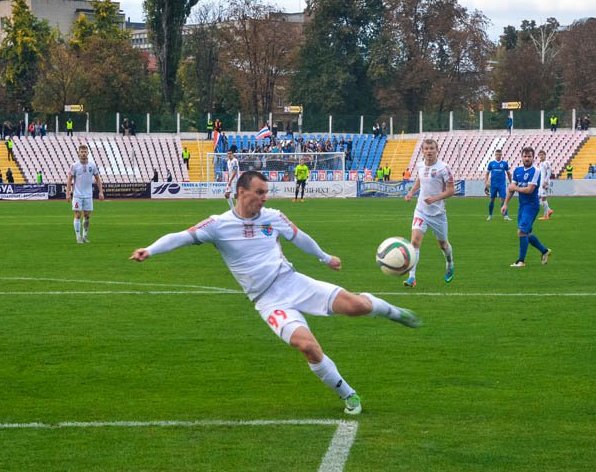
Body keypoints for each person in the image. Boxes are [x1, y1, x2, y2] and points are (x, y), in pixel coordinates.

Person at [130, 170, 421, 415]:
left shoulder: (273, 217)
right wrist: (150, 250)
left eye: (266, 192)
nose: (265, 197)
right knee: (307, 346)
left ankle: (394, 312)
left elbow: (299, 237)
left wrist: (325, 258)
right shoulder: (218, 225)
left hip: (293, 282)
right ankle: (349, 395)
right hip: (267, 301)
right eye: (260, 192)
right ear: (241, 192)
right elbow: (181, 237)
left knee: (356, 306)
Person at [403, 139, 456, 288]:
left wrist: (435, 198)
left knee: (443, 244)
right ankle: (412, 277)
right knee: (415, 242)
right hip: (421, 210)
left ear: (437, 150)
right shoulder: (420, 165)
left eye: (432, 148)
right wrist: (411, 193)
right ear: (422, 151)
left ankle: (450, 263)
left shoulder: (444, 168)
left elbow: (451, 190)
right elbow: (419, 180)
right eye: (426, 148)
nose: (429, 151)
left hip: (438, 213)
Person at [502, 147, 551, 267]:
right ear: (521, 157)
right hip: (522, 206)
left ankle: (521, 261)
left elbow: (529, 190)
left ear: (533, 158)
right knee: (526, 233)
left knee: (521, 232)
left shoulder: (536, 171)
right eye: (525, 156)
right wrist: (505, 204)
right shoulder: (517, 170)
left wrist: (515, 187)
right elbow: (511, 189)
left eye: (529, 156)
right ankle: (544, 251)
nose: (527, 158)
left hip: (532, 206)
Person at [67, 144, 104, 243]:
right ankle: (78, 237)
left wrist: (101, 191)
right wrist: (68, 193)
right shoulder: (74, 166)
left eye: (85, 152)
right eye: (81, 152)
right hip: (77, 194)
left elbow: (97, 178)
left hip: (88, 195)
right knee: (78, 214)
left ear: (88, 153)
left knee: (87, 215)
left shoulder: (92, 165)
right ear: (78, 153)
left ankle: (85, 236)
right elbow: (69, 179)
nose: (83, 153)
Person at [484, 149, 512, 221]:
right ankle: (490, 215)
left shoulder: (504, 163)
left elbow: (508, 173)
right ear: (495, 155)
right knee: (492, 200)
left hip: (501, 185)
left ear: (501, 155)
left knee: (503, 200)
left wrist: (511, 182)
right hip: (493, 185)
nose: (498, 156)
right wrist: (486, 182)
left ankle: (506, 216)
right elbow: (487, 173)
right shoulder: (491, 163)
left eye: (499, 154)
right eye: (497, 154)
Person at [537, 150, 554, 219]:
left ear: (545, 155)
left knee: (543, 198)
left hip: (544, 183)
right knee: (538, 198)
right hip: (541, 183)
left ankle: (546, 216)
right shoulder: (541, 163)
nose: (541, 156)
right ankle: (548, 210)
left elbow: (549, 172)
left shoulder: (546, 163)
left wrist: (545, 182)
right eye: (540, 155)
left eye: (542, 155)